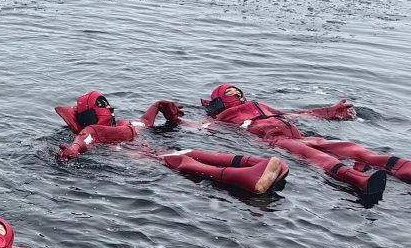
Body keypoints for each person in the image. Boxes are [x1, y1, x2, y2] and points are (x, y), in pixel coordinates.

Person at [57, 91, 290, 194]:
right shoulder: (98, 129)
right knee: (181, 159)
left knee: (192, 151)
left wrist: (159, 105)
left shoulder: (126, 125)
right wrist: (74, 150)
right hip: (143, 160)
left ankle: (260, 163)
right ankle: (245, 177)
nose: (108, 107)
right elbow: (86, 137)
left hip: (154, 151)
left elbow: (144, 122)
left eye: (106, 102)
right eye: (101, 104)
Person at [202, 84, 404, 199]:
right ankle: (359, 179)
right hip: (276, 141)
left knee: (350, 147)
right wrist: (175, 118)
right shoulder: (220, 119)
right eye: (230, 92)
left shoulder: (259, 105)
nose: (238, 94)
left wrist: (329, 112)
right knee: (316, 156)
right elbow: (196, 126)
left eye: (238, 90)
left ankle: (403, 167)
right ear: (219, 101)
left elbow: (294, 115)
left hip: (299, 135)